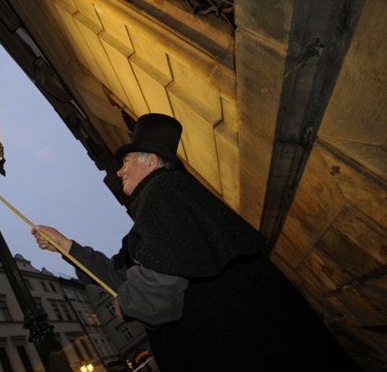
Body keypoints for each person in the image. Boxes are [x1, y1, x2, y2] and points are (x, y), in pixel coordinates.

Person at [32, 113, 361, 371]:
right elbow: (120, 274)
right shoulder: (162, 203)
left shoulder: (162, 193)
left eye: (127, 162)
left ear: (152, 161)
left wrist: (127, 303)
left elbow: (155, 295)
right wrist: (66, 246)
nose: (119, 172)